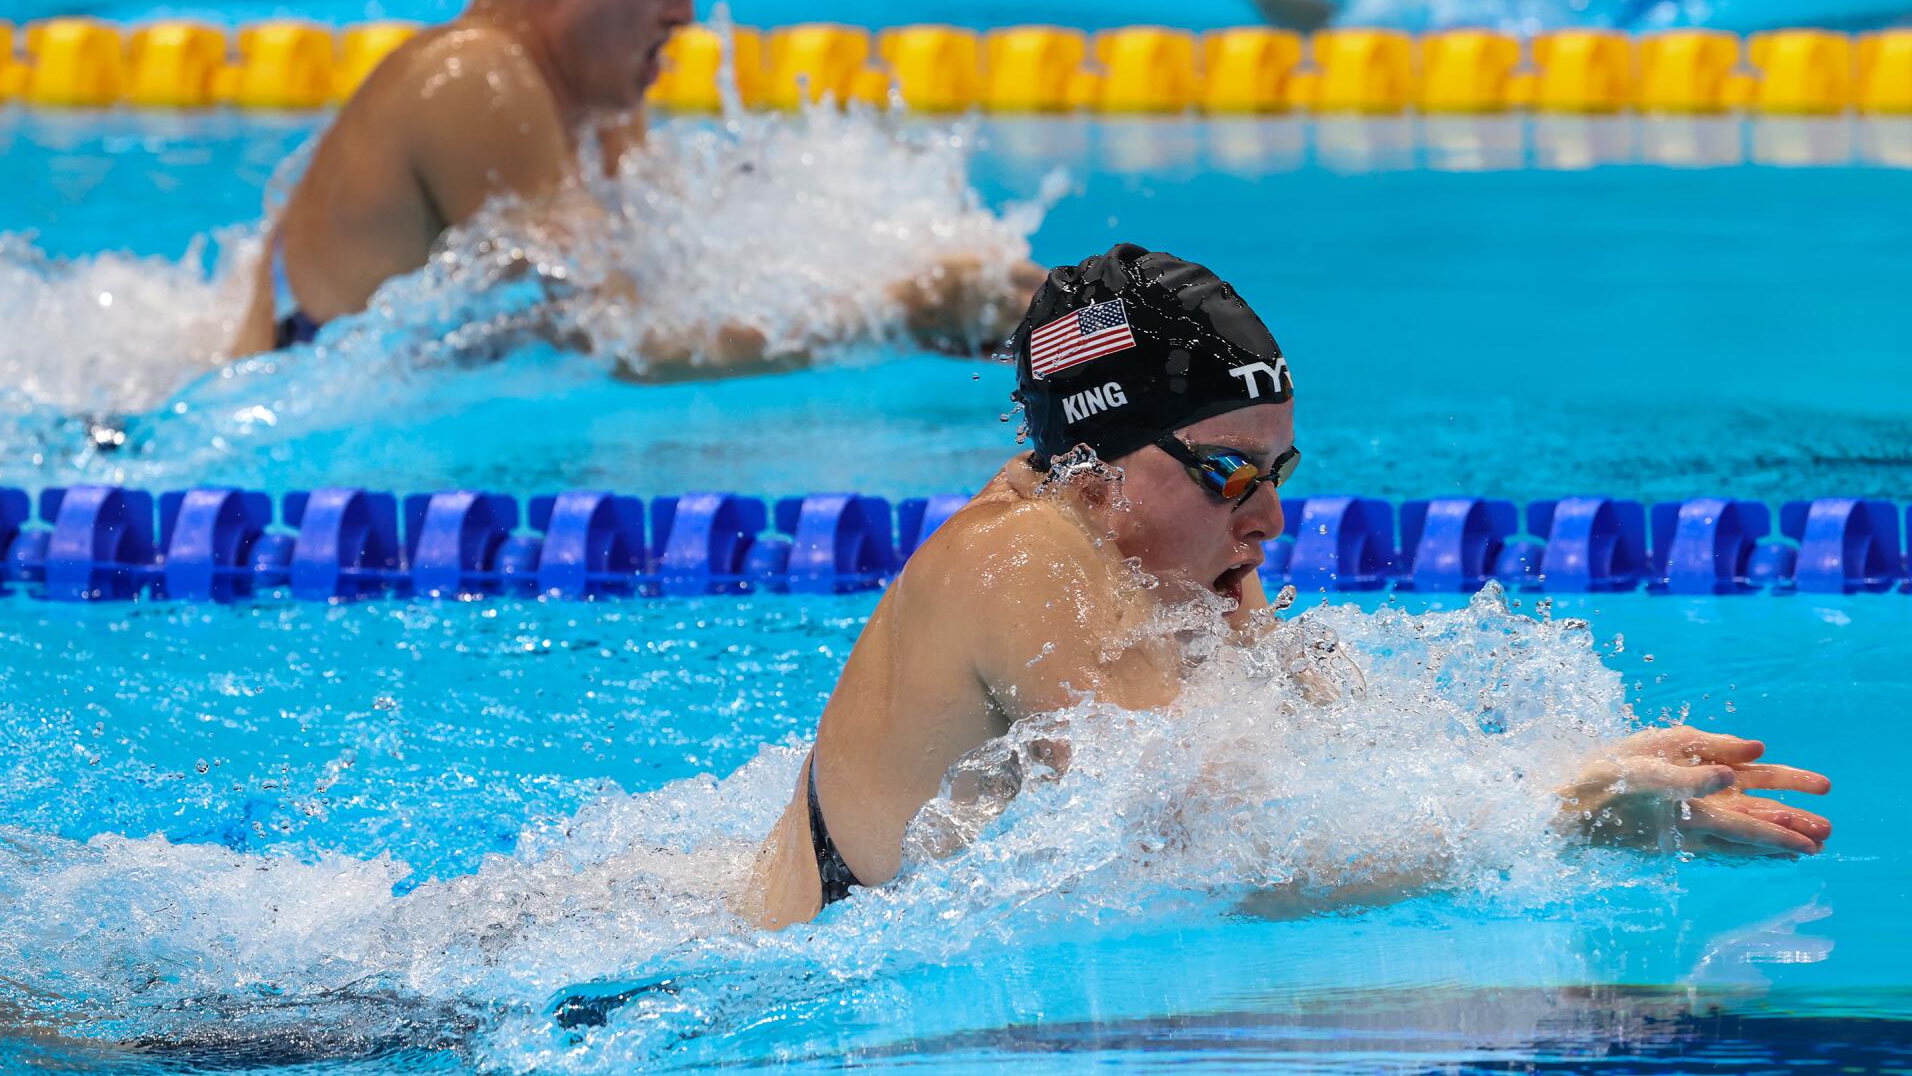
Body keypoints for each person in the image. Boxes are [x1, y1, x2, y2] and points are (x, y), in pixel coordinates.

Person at [739, 243, 1833, 930]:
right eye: (1226, 473)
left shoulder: (1175, 562)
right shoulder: (1023, 558)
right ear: (1092, 465)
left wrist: (1589, 778)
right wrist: (1553, 810)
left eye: (1278, 473)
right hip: (759, 973)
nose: (1266, 519)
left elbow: (1316, 773)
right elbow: (1209, 851)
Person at [232, 0, 1033, 366]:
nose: (684, 9)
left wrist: (939, 284)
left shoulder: (589, 94)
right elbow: (620, 344)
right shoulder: (476, 77)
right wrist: (892, 310)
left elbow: (651, 295)